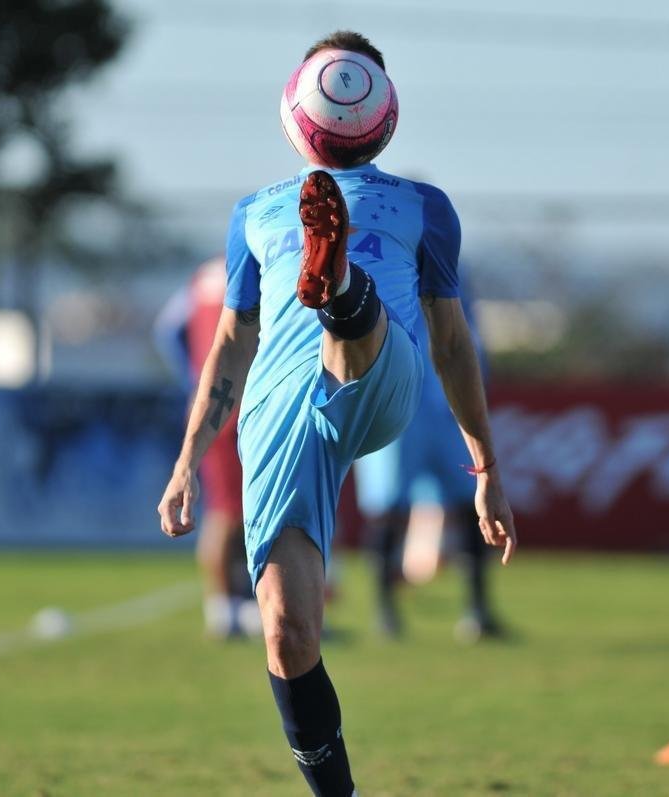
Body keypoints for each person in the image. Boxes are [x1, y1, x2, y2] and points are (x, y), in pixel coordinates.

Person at [158, 30, 515, 797]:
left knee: (354, 335)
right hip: (280, 411)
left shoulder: (424, 207)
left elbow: (453, 343)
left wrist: (485, 466)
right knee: (288, 633)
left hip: (384, 377)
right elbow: (229, 346)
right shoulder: (254, 214)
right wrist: (187, 460)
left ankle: (342, 287)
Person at [352, 291, 506, 642]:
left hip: (448, 406)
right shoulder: (383, 258)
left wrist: (475, 385)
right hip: (395, 400)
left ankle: (479, 610)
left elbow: (466, 329)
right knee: (389, 508)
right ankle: (385, 612)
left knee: (471, 500)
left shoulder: (450, 262)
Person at [153, 257, 259, 638]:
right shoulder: (255, 265)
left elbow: (167, 331)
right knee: (229, 511)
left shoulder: (199, 279)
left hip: (213, 403)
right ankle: (223, 608)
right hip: (238, 404)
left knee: (238, 510)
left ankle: (238, 603)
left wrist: (193, 378)